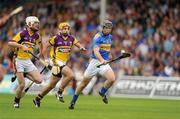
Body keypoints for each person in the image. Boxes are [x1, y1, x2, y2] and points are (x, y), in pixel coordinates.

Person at [33, 22, 86, 107]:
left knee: (51, 85)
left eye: (67, 29)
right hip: (55, 61)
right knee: (71, 75)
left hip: (63, 62)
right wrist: (46, 59)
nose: (66, 30)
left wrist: (81, 47)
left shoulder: (71, 38)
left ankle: (37, 98)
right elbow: (45, 47)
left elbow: (77, 43)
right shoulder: (55, 38)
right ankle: (59, 92)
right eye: (64, 28)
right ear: (60, 30)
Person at [69, 20, 115, 109]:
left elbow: (106, 49)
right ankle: (73, 101)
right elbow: (96, 51)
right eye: (107, 28)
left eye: (110, 29)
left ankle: (102, 92)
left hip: (104, 62)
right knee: (83, 84)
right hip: (95, 62)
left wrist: (109, 55)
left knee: (112, 78)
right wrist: (102, 60)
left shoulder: (110, 37)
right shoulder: (97, 37)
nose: (109, 30)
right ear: (103, 28)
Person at [8, 16, 43, 108]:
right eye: (35, 23)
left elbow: (40, 44)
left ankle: (23, 74)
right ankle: (16, 101)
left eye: (38, 23)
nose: (37, 25)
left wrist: (40, 53)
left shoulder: (37, 36)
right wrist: (21, 46)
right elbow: (10, 43)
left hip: (28, 61)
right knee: (22, 85)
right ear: (29, 24)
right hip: (19, 60)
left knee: (39, 80)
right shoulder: (22, 33)